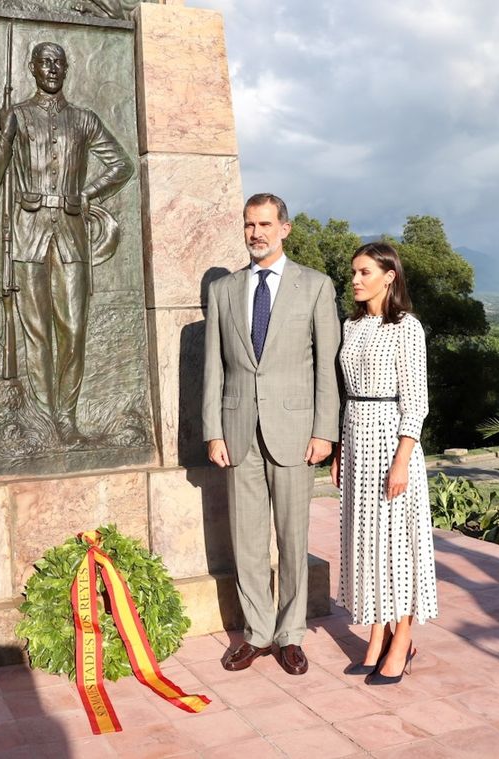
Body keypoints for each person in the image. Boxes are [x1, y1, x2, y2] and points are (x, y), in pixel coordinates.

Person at [202, 193, 341, 675]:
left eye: (264, 224)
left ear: (285, 228)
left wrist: (326, 431)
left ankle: (291, 634)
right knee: (247, 539)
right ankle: (257, 633)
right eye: (248, 225)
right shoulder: (223, 291)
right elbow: (214, 368)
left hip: (296, 432)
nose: (255, 233)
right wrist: (213, 430)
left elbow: (328, 365)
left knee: (292, 535)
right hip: (238, 432)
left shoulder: (316, 287)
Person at [0, 41, 134, 443]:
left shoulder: (84, 120)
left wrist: (88, 195)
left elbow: (122, 164)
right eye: (45, 62)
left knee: (73, 328)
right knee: (37, 331)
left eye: (59, 63)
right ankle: (46, 422)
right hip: (28, 234)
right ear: (32, 68)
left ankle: (66, 418)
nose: (52, 69)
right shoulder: (16, 115)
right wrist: (3, 136)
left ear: (66, 69)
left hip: (70, 234)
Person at [331, 241, 439, 685]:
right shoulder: (351, 325)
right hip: (357, 439)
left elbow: (416, 402)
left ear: (388, 276)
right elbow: (344, 395)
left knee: (399, 545)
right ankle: (377, 633)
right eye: (353, 273)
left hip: (392, 444)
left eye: (364, 272)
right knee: (368, 542)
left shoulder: (407, 327)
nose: (355, 280)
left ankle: (402, 639)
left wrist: (401, 461)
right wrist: (340, 449)